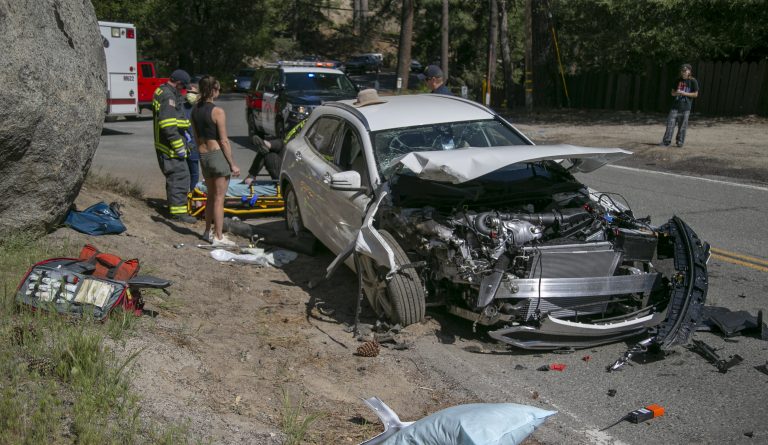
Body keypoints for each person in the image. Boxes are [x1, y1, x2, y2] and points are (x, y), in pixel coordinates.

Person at [191, 76, 240, 246]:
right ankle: (219, 237)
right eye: (218, 89)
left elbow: (196, 137)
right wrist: (232, 164)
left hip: (203, 156)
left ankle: (207, 232)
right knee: (220, 198)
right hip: (217, 155)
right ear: (212, 90)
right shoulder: (217, 111)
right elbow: (224, 141)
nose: (219, 92)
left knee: (210, 196)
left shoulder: (194, 110)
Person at [152, 69, 197, 223]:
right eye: (183, 87)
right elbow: (168, 125)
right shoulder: (168, 96)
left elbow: (173, 117)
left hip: (165, 145)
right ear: (178, 83)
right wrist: (179, 147)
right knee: (180, 178)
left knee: (174, 178)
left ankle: (173, 208)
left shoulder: (162, 90)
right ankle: (179, 214)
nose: (183, 90)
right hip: (170, 147)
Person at [243, 119, 308, 183]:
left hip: (295, 173)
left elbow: (300, 158)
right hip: (290, 157)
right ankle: (267, 144)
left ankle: (251, 175)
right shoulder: (308, 123)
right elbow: (285, 142)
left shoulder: (308, 123)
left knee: (270, 154)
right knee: (269, 148)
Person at [661, 63, 699, 148]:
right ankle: (666, 142)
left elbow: (696, 94)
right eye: (682, 70)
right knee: (670, 124)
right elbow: (672, 93)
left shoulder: (693, 81)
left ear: (689, 71)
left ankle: (680, 142)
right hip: (675, 106)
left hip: (686, 107)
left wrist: (684, 93)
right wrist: (676, 93)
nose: (683, 72)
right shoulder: (677, 80)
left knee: (682, 127)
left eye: (685, 70)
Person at [181, 83, 201, 191]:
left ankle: (193, 198)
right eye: (189, 92)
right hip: (182, 146)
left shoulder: (199, 108)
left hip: (194, 147)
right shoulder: (180, 107)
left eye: (193, 93)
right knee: (183, 175)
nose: (190, 95)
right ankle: (183, 199)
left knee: (194, 174)